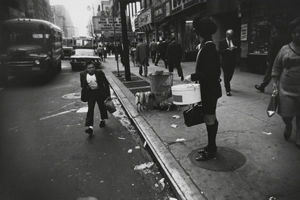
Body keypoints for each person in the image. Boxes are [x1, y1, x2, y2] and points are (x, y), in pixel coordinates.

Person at [184, 17, 222, 161]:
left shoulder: (209, 47)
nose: (194, 33)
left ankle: (211, 150)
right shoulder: (205, 46)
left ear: (199, 32)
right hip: (208, 89)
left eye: (196, 31)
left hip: (209, 90)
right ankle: (211, 146)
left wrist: (192, 76)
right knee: (210, 118)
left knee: (209, 118)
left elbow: (212, 73)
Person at [271, 17, 300, 147]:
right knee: (286, 115)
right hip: (286, 89)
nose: (297, 35)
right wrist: (274, 83)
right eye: (294, 32)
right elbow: (276, 66)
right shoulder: (285, 49)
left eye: (299, 32)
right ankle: (288, 125)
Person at [255, 21, 290, 92]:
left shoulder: (274, 37)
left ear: (276, 29)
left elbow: (271, 50)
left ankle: (262, 86)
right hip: (285, 57)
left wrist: (268, 59)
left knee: (269, 73)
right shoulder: (286, 37)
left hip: (275, 59)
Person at [80, 61, 111, 135]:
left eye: (93, 67)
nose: (91, 69)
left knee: (102, 107)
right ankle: (90, 127)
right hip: (90, 94)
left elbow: (106, 83)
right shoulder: (83, 74)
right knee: (90, 109)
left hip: (100, 92)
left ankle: (102, 119)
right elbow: (82, 84)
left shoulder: (99, 73)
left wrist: (107, 95)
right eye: (89, 68)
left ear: (95, 67)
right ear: (86, 69)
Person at [218, 29, 239, 96]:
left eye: (231, 36)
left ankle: (227, 82)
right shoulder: (222, 42)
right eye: (229, 35)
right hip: (225, 61)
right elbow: (219, 51)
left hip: (233, 61)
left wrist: (235, 48)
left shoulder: (234, 41)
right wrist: (226, 50)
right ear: (226, 35)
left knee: (230, 74)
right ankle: (228, 90)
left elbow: (239, 50)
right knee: (226, 75)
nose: (230, 37)